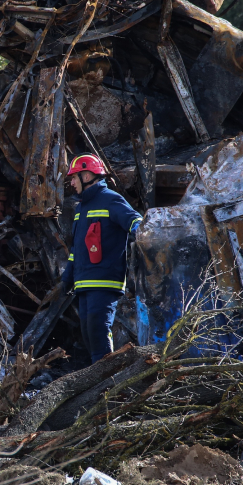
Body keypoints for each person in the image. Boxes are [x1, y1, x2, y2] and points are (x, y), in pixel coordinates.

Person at [62, 154, 142, 362]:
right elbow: (76, 249)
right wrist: (67, 277)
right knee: (88, 333)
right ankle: (97, 378)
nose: (71, 183)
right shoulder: (80, 208)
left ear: (87, 175)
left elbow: (135, 221)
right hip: (83, 281)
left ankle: (106, 380)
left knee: (98, 330)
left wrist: (147, 233)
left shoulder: (111, 199)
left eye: (74, 177)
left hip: (104, 279)